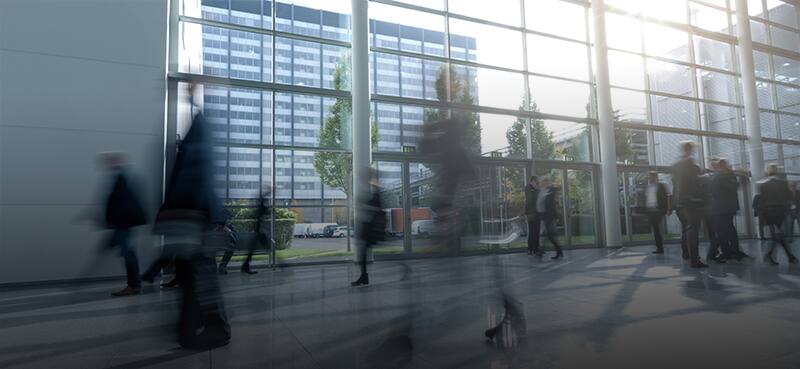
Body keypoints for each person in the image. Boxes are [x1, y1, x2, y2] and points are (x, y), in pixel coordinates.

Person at [153, 83, 230, 349]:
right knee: (192, 275)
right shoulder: (199, 127)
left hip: (194, 217)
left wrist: (184, 212)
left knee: (198, 274)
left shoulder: (201, 128)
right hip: (194, 215)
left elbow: (196, 175)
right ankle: (190, 327)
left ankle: (212, 327)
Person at [100, 152, 148, 297]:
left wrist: (111, 221)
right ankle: (135, 284)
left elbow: (120, 203)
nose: (107, 163)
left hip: (123, 223)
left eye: (110, 160)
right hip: (124, 223)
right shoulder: (122, 177)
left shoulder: (121, 178)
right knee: (127, 252)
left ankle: (134, 285)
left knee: (128, 253)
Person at [671, 141, 708, 268]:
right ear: (690, 149)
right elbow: (685, 184)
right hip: (689, 203)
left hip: (681, 203)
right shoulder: (688, 165)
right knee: (693, 229)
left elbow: (677, 185)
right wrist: (691, 198)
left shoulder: (676, 165)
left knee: (687, 229)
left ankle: (688, 254)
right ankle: (694, 259)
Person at [351, 169, 386, 286]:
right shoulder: (368, 188)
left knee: (362, 253)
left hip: (369, 226)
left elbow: (378, 208)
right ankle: (364, 276)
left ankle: (364, 277)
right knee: (362, 253)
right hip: (364, 224)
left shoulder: (374, 189)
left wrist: (363, 206)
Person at [758, 164, 798, 265]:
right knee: (779, 234)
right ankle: (788, 256)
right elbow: (789, 197)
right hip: (781, 211)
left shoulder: (763, 185)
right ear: (777, 172)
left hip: (769, 212)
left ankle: (786, 256)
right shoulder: (783, 183)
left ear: (767, 172)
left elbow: (762, 200)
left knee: (777, 234)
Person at [710, 159, 748, 261]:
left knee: (721, 230)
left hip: (720, 208)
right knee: (730, 229)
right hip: (729, 207)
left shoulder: (719, 177)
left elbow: (714, 192)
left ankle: (727, 252)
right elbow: (734, 187)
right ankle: (733, 251)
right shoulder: (730, 176)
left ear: (718, 167)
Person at [536, 177, 563, 260]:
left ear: (546, 182)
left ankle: (558, 251)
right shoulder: (542, 191)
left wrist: (555, 215)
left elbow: (555, 204)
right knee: (544, 234)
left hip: (549, 216)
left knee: (550, 235)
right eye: (541, 182)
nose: (541, 183)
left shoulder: (552, 191)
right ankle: (542, 251)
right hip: (543, 215)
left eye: (543, 182)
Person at [701, 159, 723, 263]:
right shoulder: (717, 177)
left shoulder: (703, 178)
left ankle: (714, 252)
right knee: (718, 232)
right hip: (715, 208)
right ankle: (712, 254)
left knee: (712, 232)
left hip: (706, 209)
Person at [644, 172, 671, 254]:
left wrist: (669, 208)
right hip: (650, 210)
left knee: (656, 229)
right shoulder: (648, 187)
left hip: (658, 210)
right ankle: (659, 247)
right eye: (649, 177)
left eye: (651, 177)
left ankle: (660, 247)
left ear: (655, 177)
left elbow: (668, 196)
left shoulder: (662, 186)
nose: (650, 179)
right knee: (655, 229)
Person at [523, 176, 541, 255]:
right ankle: (530, 249)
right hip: (531, 213)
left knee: (536, 232)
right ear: (532, 181)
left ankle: (535, 249)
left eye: (537, 182)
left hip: (537, 214)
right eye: (536, 182)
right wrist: (535, 190)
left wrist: (536, 190)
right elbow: (530, 200)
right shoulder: (528, 188)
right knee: (532, 232)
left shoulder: (535, 189)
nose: (537, 183)